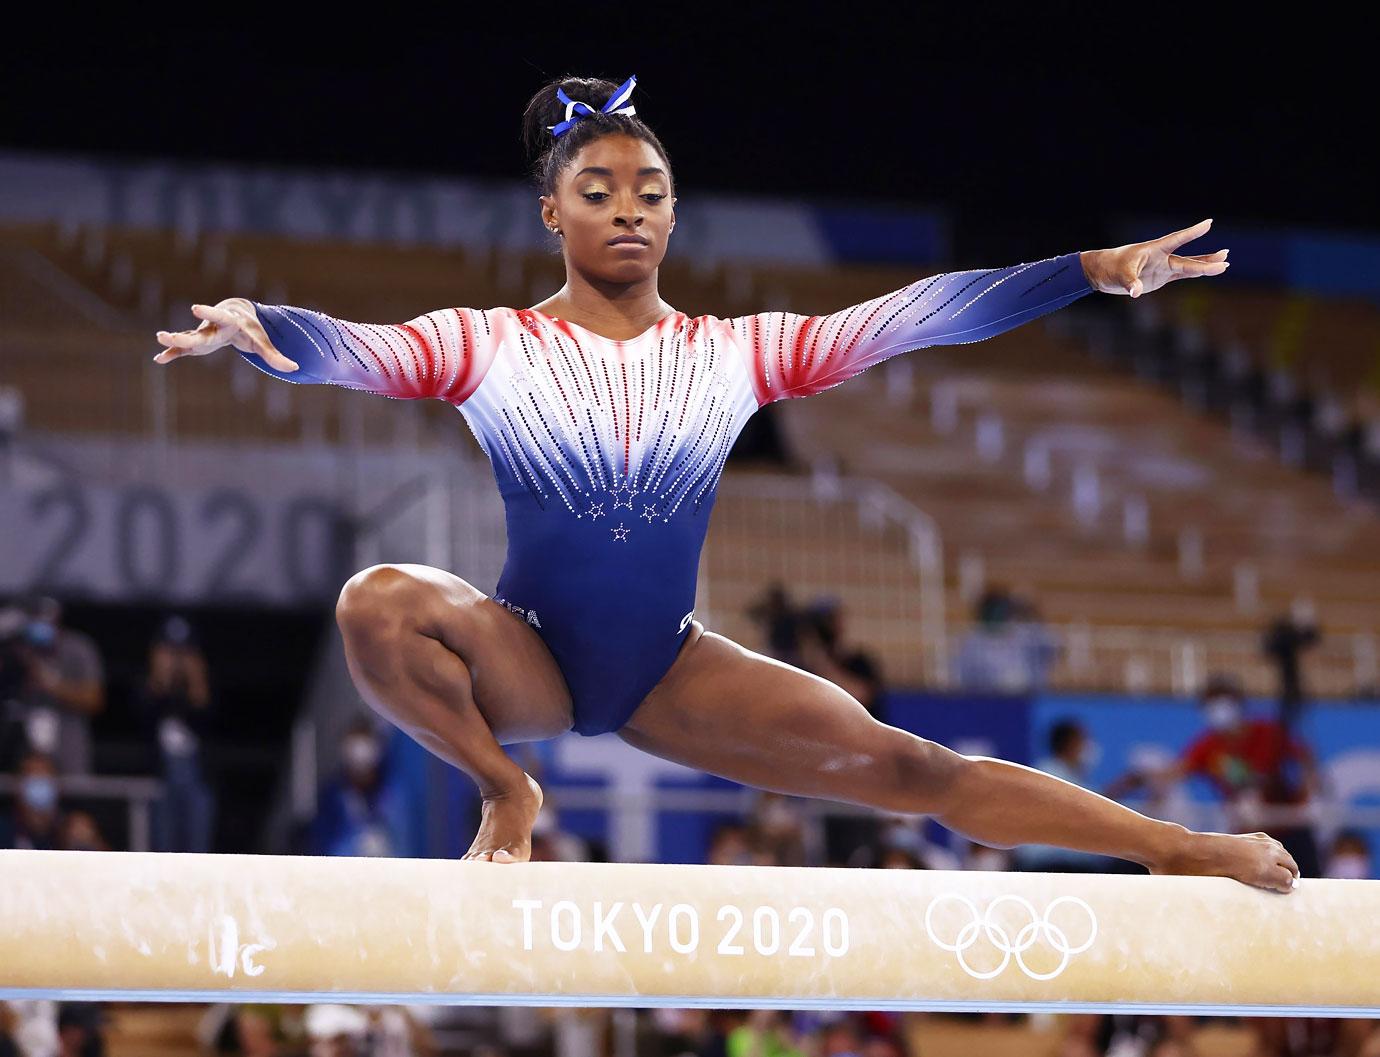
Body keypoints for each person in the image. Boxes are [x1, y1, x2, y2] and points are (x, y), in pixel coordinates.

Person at [152, 74, 1295, 894]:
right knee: (375, 601)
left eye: (650, 190)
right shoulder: (487, 343)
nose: (629, 210)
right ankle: (507, 790)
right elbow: (359, 349)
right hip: (528, 654)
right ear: (553, 211)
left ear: (675, 209)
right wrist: (265, 324)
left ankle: (1173, 846)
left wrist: (1085, 272)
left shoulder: (732, 351)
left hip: (668, 667)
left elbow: (912, 318)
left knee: (912, 767)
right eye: (598, 191)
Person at [134, 615, 215, 853]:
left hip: (198, 780)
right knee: (162, 850)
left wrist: (196, 683)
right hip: (159, 779)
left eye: (184, 653)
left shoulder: (206, 688)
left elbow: (211, 724)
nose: (177, 660)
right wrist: (160, 681)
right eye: (170, 651)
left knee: (199, 850)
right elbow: (142, 722)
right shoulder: (145, 687)